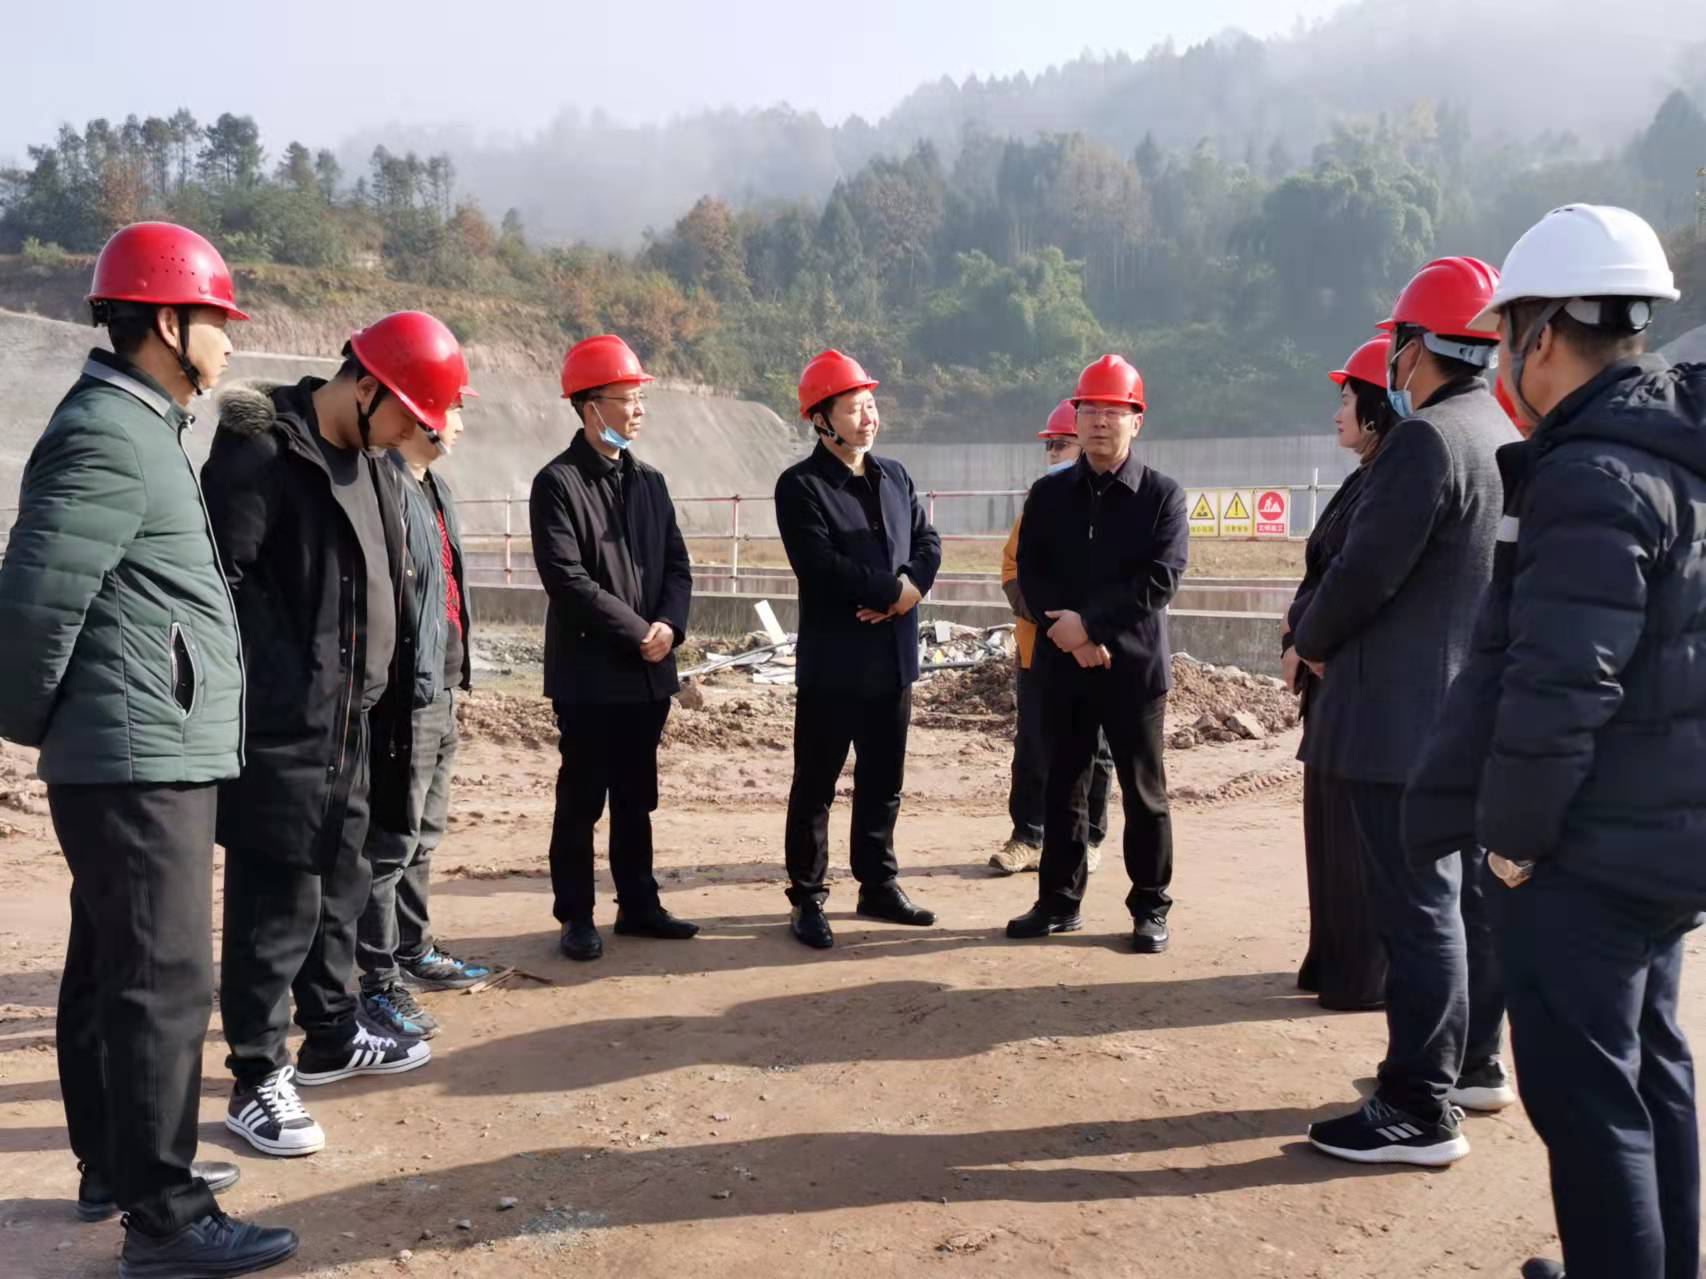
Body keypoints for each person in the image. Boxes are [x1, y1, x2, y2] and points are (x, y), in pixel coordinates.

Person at [1408, 204, 1702, 1279]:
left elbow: (1562, 681)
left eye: (1506, 334)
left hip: (1591, 849)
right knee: (1652, 1068)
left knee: (1589, 1105)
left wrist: (1512, 845)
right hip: (1663, 836)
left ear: (1540, 336)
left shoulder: (1589, 474)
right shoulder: (1674, 450)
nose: (1501, 360)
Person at [0, 222, 297, 1275]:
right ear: (167, 322)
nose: (229, 339)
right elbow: (35, 603)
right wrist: (55, 724)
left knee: (113, 969)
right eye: (217, 319)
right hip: (134, 756)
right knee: (163, 982)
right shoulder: (108, 432)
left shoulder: (140, 424)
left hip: (135, 748)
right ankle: (165, 1218)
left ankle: (117, 1169)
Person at [208, 311, 467, 1157]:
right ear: (364, 387)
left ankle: (329, 1032)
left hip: (357, 727)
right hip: (284, 729)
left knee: (340, 886)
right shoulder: (264, 453)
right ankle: (256, 1077)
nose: (411, 436)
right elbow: (224, 582)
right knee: (273, 905)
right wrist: (288, 685)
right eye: (407, 416)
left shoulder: (377, 467)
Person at [1296, 257, 1517, 1167]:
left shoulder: (1426, 440)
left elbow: (1363, 573)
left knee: (1419, 910)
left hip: (1398, 723)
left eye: (1397, 342)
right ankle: (1470, 1065)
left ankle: (1417, 1107)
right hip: (1462, 713)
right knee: (1463, 900)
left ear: (1417, 347)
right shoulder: (1498, 429)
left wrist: (1311, 635)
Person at [1007, 355, 1189, 952]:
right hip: (1064, 666)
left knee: (1143, 793)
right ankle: (1058, 902)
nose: (1100, 422)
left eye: (1114, 411)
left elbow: (1160, 578)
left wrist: (1090, 628)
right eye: (1089, 410)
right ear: (1076, 417)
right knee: (1063, 785)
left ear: (1137, 421)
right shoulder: (1049, 494)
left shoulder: (1161, 496)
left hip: (1132, 669)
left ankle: (1150, 906)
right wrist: (1071, 634)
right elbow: (1031, 570)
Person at [531, 334, 696, 962]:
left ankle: (639, 905)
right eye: (625, 399)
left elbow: (677, 566)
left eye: (639, 399)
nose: (637, 410)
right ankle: (576, 915)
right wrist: (639, 632)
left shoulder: (650, 481)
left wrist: (670, 626)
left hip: (649, 675)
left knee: (636, 796)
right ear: (589, 405)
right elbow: (567, 579)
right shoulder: (558, 483)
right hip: (590, 675)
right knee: (582, 799)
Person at [776, 349, 943, 950]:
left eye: (871, 405)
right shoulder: (801, 487)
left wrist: (908, 591)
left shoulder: (895, 476)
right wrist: (890, 591)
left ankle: (878, 884)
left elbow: (927, 540)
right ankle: (808, 897)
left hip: (892, 659)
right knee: (816, 785)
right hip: (834, 664)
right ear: (821, 419)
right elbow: (820, 565)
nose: (868, 417)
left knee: (882, 780)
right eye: (853, 408)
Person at [357, 401, 493, 1040]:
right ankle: (375, 979)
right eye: (453, 407)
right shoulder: (382, 486)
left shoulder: (435, 488)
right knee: (389, 841)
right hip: (404, 695)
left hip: (442, 684)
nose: (460, 422)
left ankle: (413, 949)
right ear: (419, 415)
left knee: (423, 834)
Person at [1285, 336, 1393, 1013]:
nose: (1336, 413)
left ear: (1378, 405)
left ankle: (1360, 977)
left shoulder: (1395, 479)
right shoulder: (1363, 478)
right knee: (1326, 838)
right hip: (1325, 679)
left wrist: (1313, 638)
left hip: (1355, 681)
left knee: (1355, 847)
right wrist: (1297, 633)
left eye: (1347, 398)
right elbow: (1321, 571)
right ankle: (1331, 959)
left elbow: (1362, 579)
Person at [990, 399, 1114, 876]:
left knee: (1097, 751)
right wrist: (1051, 624)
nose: (1053, 454)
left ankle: (1089, 838)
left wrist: (1090, 630)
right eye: (1051, 447)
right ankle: (1028, 836)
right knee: (1034, 747)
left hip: (1099, 651)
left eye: (1060, 445)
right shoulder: (1040, 502)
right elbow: (1012, 571)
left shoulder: (1123, 503)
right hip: (1039, 650)